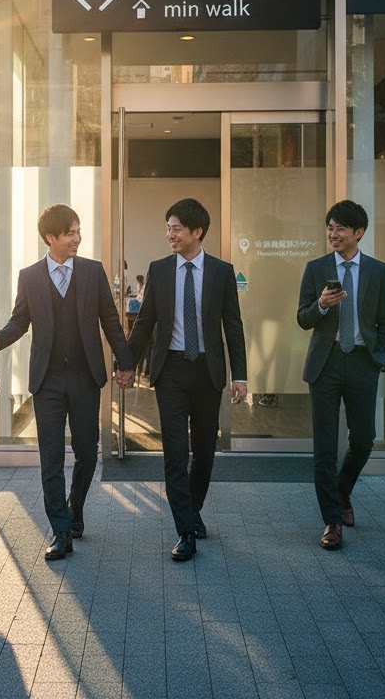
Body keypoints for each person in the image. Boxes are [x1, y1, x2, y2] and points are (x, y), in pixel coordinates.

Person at [0, 204, 134, 562]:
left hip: (85, 378)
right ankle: (60, 531)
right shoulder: (30, 276)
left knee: (87, 451)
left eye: (79, 231)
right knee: (50, 457)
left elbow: (111, 322)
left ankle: (75, 507)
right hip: (47, 381)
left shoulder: (92, 272)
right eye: (70, 233)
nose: (77, 238)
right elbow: (20, 321)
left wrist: (125, 362)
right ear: (51, 237)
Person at [128, 198, 247, 562]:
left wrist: (240, 376)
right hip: (172, 371)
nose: (170, 235)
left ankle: (192, 509)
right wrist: (126, 363)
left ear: (197, 231)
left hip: (208, 371)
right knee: (176, 452)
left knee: (205, 451)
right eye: (168, 228)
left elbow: (233, 326)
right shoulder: (160, 270)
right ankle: (184, 531)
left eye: (176, 229)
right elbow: (145, 322)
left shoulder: (222, 272)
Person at [296, 200, 385, 551]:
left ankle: (341, 490)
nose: (333, 234)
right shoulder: (316, 268)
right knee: (324, 447)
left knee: (364, 439)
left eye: (340, 228)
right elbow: (302, 318)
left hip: (363, 363)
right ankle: (332, 521)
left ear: (358, 232)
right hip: (326, 363)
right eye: (330, 228)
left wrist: (379, 358)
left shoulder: (378, 271)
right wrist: (322, 305)